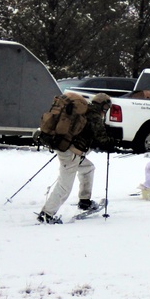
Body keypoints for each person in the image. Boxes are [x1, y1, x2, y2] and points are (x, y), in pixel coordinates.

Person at [37, 93, 115, 224]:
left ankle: (85, 201)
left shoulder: (85, 111)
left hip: (69, 150)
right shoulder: (94, 116)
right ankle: (46, 214)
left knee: (88, 168)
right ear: (104, 106)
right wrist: (112, 142)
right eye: (106, 108)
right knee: (65, 186)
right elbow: (102, 139)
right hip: (71, 153)